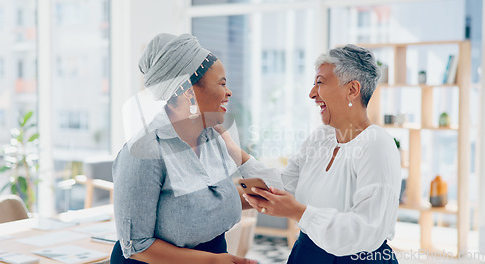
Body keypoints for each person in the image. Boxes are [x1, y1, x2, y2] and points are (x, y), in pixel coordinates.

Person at [216, 44, 401, 263]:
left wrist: (299, 213)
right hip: (307, 251)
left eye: (320, 83)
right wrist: (233, 151)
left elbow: (366, 231)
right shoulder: (320, 137)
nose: (312, 93)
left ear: (352, 89)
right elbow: (286, 184)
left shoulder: (378, 145)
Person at [111, 33, 256, 264]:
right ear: (188, 91)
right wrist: (212, 261)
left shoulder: (213, 138)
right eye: (222, 83)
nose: (229, 92)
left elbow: (214, 200)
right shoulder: (143, 152)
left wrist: (275, 193)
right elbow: (136, 245)